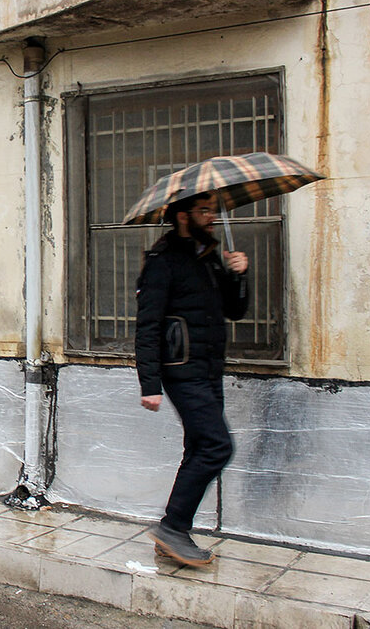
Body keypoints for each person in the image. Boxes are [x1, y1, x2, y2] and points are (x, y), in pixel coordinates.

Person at [134, 191, 249, 567]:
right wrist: (149, 384)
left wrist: (238, 275)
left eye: (213, 210)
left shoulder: (207, 256)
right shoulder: (162, 262)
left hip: (209, 369)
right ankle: (172, 527)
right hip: (182, 371)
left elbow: (234, 311)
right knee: (217, 447)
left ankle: (171, 537)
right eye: (204, 210)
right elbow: (148, 326)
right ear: (183, 216)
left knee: (199, 449)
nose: (212, 216)